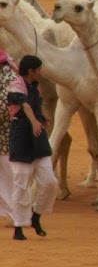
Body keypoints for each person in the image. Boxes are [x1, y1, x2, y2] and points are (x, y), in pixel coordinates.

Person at [7, 56, 57, 241]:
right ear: (31, 71)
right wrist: (35, 121)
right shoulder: (15, 86)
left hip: (38, 139)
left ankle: (36, 216)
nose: (41, 72)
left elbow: (35, 106)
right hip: (21, 140)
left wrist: (41, 117)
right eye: (39, 69)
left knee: (50, 182)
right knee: (21, 185)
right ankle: (18, 227)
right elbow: (25, 105)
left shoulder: (36, 87)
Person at [0, 50, 18, 226]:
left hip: (7, 136)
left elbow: (5, 106)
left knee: (9, 175)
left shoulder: (10, 78)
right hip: (5, 137)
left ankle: (16, 215)